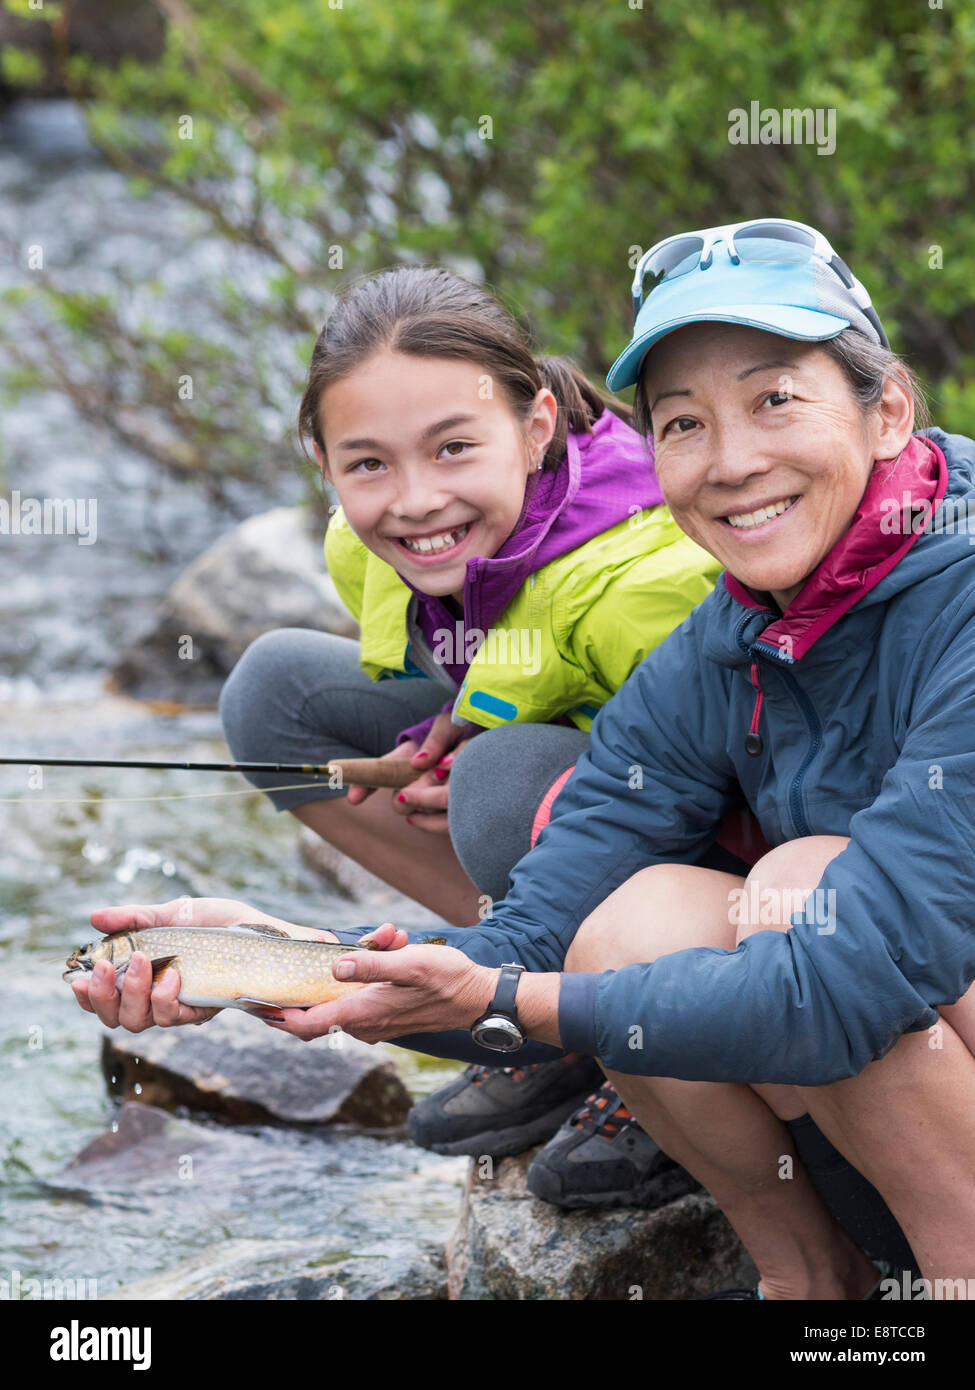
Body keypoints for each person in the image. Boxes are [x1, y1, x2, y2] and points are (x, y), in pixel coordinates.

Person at [73, 218, 975, 1298]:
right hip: (886, 1106)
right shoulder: (725, 637)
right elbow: (532, 931)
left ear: (889, 412)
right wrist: (277, 959)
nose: (733, 463)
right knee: (616, 929)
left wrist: (534, 1005)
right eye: (684, 422)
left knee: (792, 895)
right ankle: (816, 1289)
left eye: (776, 399)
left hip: (907, 1069)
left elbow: (853, 977)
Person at [214, 265, 745, 1208]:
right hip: (581, 790)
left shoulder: (644, 584)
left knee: (498, 784)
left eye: (454, 448)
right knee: (275, 695)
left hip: (716, 870)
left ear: (535, 426)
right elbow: (494, 660)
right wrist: (453, 721)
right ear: (323, 459)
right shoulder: (364, 538)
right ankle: (512, 1005)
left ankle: (642, 1051)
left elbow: (752, 796)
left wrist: (497, 741)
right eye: (368, 462)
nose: (414, 501)